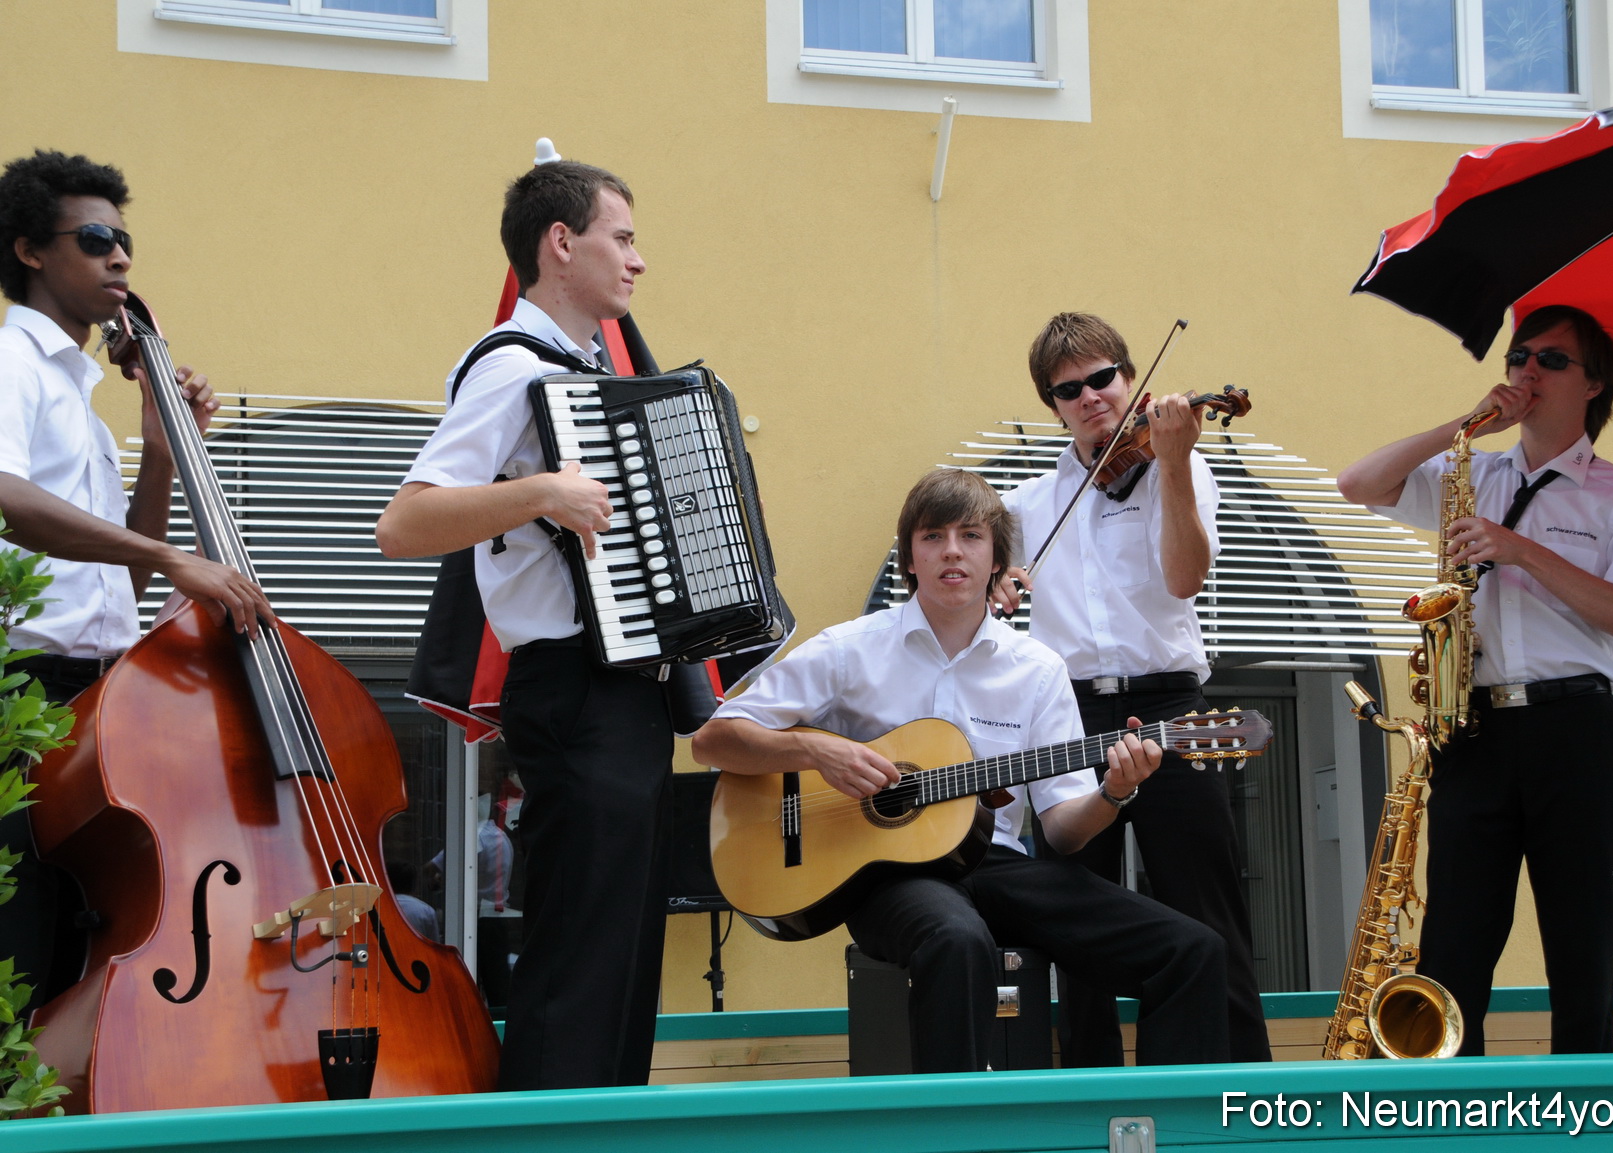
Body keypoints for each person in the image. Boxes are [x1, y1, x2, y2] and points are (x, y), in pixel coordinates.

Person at [693, 468, 1231, 1072]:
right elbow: (714, 741)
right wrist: (818, 752)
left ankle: (1176, 1127)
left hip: (995, 863)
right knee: (956, 939)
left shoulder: (1037, 669)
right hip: (885, 878)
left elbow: (1062, 831)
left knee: (1192, 949)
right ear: (910, 559)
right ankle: (954, 1132)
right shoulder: (849, 649)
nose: (952, 550)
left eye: (971, 536)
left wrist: (1113, 791)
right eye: (933, 536)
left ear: (998, 559)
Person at [375, 159, 668, 1091]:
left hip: (624, 692)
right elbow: (404, 523)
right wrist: (542, 490)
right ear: (560, 243)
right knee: (577, 964)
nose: (637, 260)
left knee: (620, 966)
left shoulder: (585, 369)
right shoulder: (511, 365)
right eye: (620, 238)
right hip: (572, 688)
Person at [1336, 304, 1613, 1055]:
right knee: (1453, 946)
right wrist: (1464, 425)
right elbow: (1356, 482)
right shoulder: (1471, 471)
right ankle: (1456, 1120)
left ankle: (1584, 1119)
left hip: (1574, 727)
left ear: (1593, 385)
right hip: (1475, 725)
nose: (1526, 371)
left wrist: (1518, 549)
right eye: (1519, 356)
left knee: (1582, 949)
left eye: (1551, 361)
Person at [0, 149, 274, 1008]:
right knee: (23, 940)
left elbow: (122, 567)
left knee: (75, 938)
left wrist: (160, 450)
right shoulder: (12, 361)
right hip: (25, 692)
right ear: (30, 251)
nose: (120, 257)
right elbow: (5, 497)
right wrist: (172, 560)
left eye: (124, 241)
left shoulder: (76, 399)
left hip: (95, 693)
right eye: (94, 239)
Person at [991, 312, 1269, 1064]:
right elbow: (979, 594)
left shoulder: (1182, 468)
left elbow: (1184, 577)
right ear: (1052, 405)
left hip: (1168, 703)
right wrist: (998, 586)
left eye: (1102, 378)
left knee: (1205, 902)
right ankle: (1088, 1090)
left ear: (1128, 375)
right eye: (1067, 389)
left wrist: (1174, 462)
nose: (1089, 397)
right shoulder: (1022, 506)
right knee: (1077, 917)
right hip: (1070, 713)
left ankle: (1232, 1093)